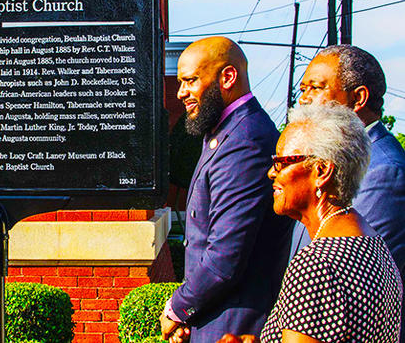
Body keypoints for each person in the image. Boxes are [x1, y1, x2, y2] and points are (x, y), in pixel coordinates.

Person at [228, 104, 402, 342]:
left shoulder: (316, 265)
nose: (271, 172)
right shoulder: (374, 244)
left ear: (321, 171)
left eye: (281, 162)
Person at [160, 37, 293, 342]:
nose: (181, 93)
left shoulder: (244, 140)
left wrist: (177, 309)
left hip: (234, 326)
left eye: (190, 81)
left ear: (228, 77)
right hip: (215, 318)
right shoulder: (225, 131)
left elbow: (225, 255)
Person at [294, 44, 405, 341]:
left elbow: (356, 281)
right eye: (303, 89)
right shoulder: (335, 159)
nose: (304, 99)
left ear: (358, 98)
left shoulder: (383, 171)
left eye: (316, 88)